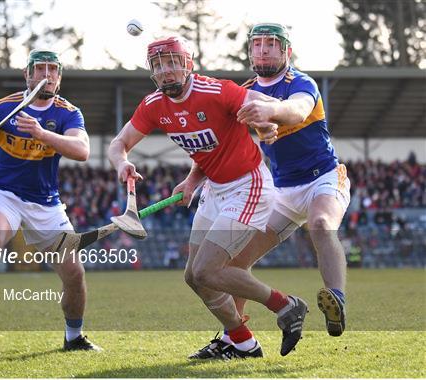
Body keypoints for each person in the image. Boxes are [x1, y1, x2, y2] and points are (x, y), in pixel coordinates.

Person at [108, 36, 308, 360]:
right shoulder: (153, 105)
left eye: (173, 62)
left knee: (208, 270)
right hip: (213, 189)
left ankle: (286, 306)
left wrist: (267, 120)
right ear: (152, 72)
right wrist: (124, 164)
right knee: (194, 277)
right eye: (159, 65)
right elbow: (119, 143)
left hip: (248, 185)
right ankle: (243, 342)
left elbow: (257, 102)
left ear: (188, 64)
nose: (166, 71)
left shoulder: (217, 91)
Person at [192, 22, 351, 356]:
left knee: (322, 225)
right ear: (250, 51)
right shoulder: (243, 91)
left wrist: (270, 111)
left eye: (271, 44)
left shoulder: (300, 83)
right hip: (279, 191)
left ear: (286, 51)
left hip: (322, 177)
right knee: (232, 264)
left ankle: (335, 300)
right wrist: (197, 175)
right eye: (258, 44)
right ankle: (233, 339)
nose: (263, 50)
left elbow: (297, 110)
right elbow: (220, 141)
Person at [0, 49, 101, 351]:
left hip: (46, 203)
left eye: (52, 70)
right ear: (27, 75)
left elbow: (82, 151)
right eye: (39, 69)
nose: (46, 75)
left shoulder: (68, 112)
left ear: (59, 77)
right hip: (3, 193)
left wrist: (43, 134)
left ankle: (73, 337)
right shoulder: (5, 107)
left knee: (74, 273)